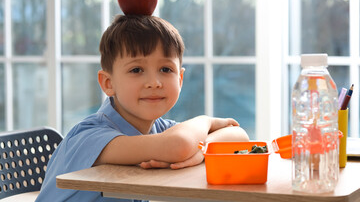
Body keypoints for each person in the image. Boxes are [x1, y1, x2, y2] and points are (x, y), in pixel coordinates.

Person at [36, 15, 249, 202]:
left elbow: (239, 137)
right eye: (137, 70)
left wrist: (200, 152)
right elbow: (179, 145)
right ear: (108, 83)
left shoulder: (158, 129)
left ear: (180, 79)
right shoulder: (90, 136)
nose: (154, 82)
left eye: (166, 69)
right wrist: (206, 120)